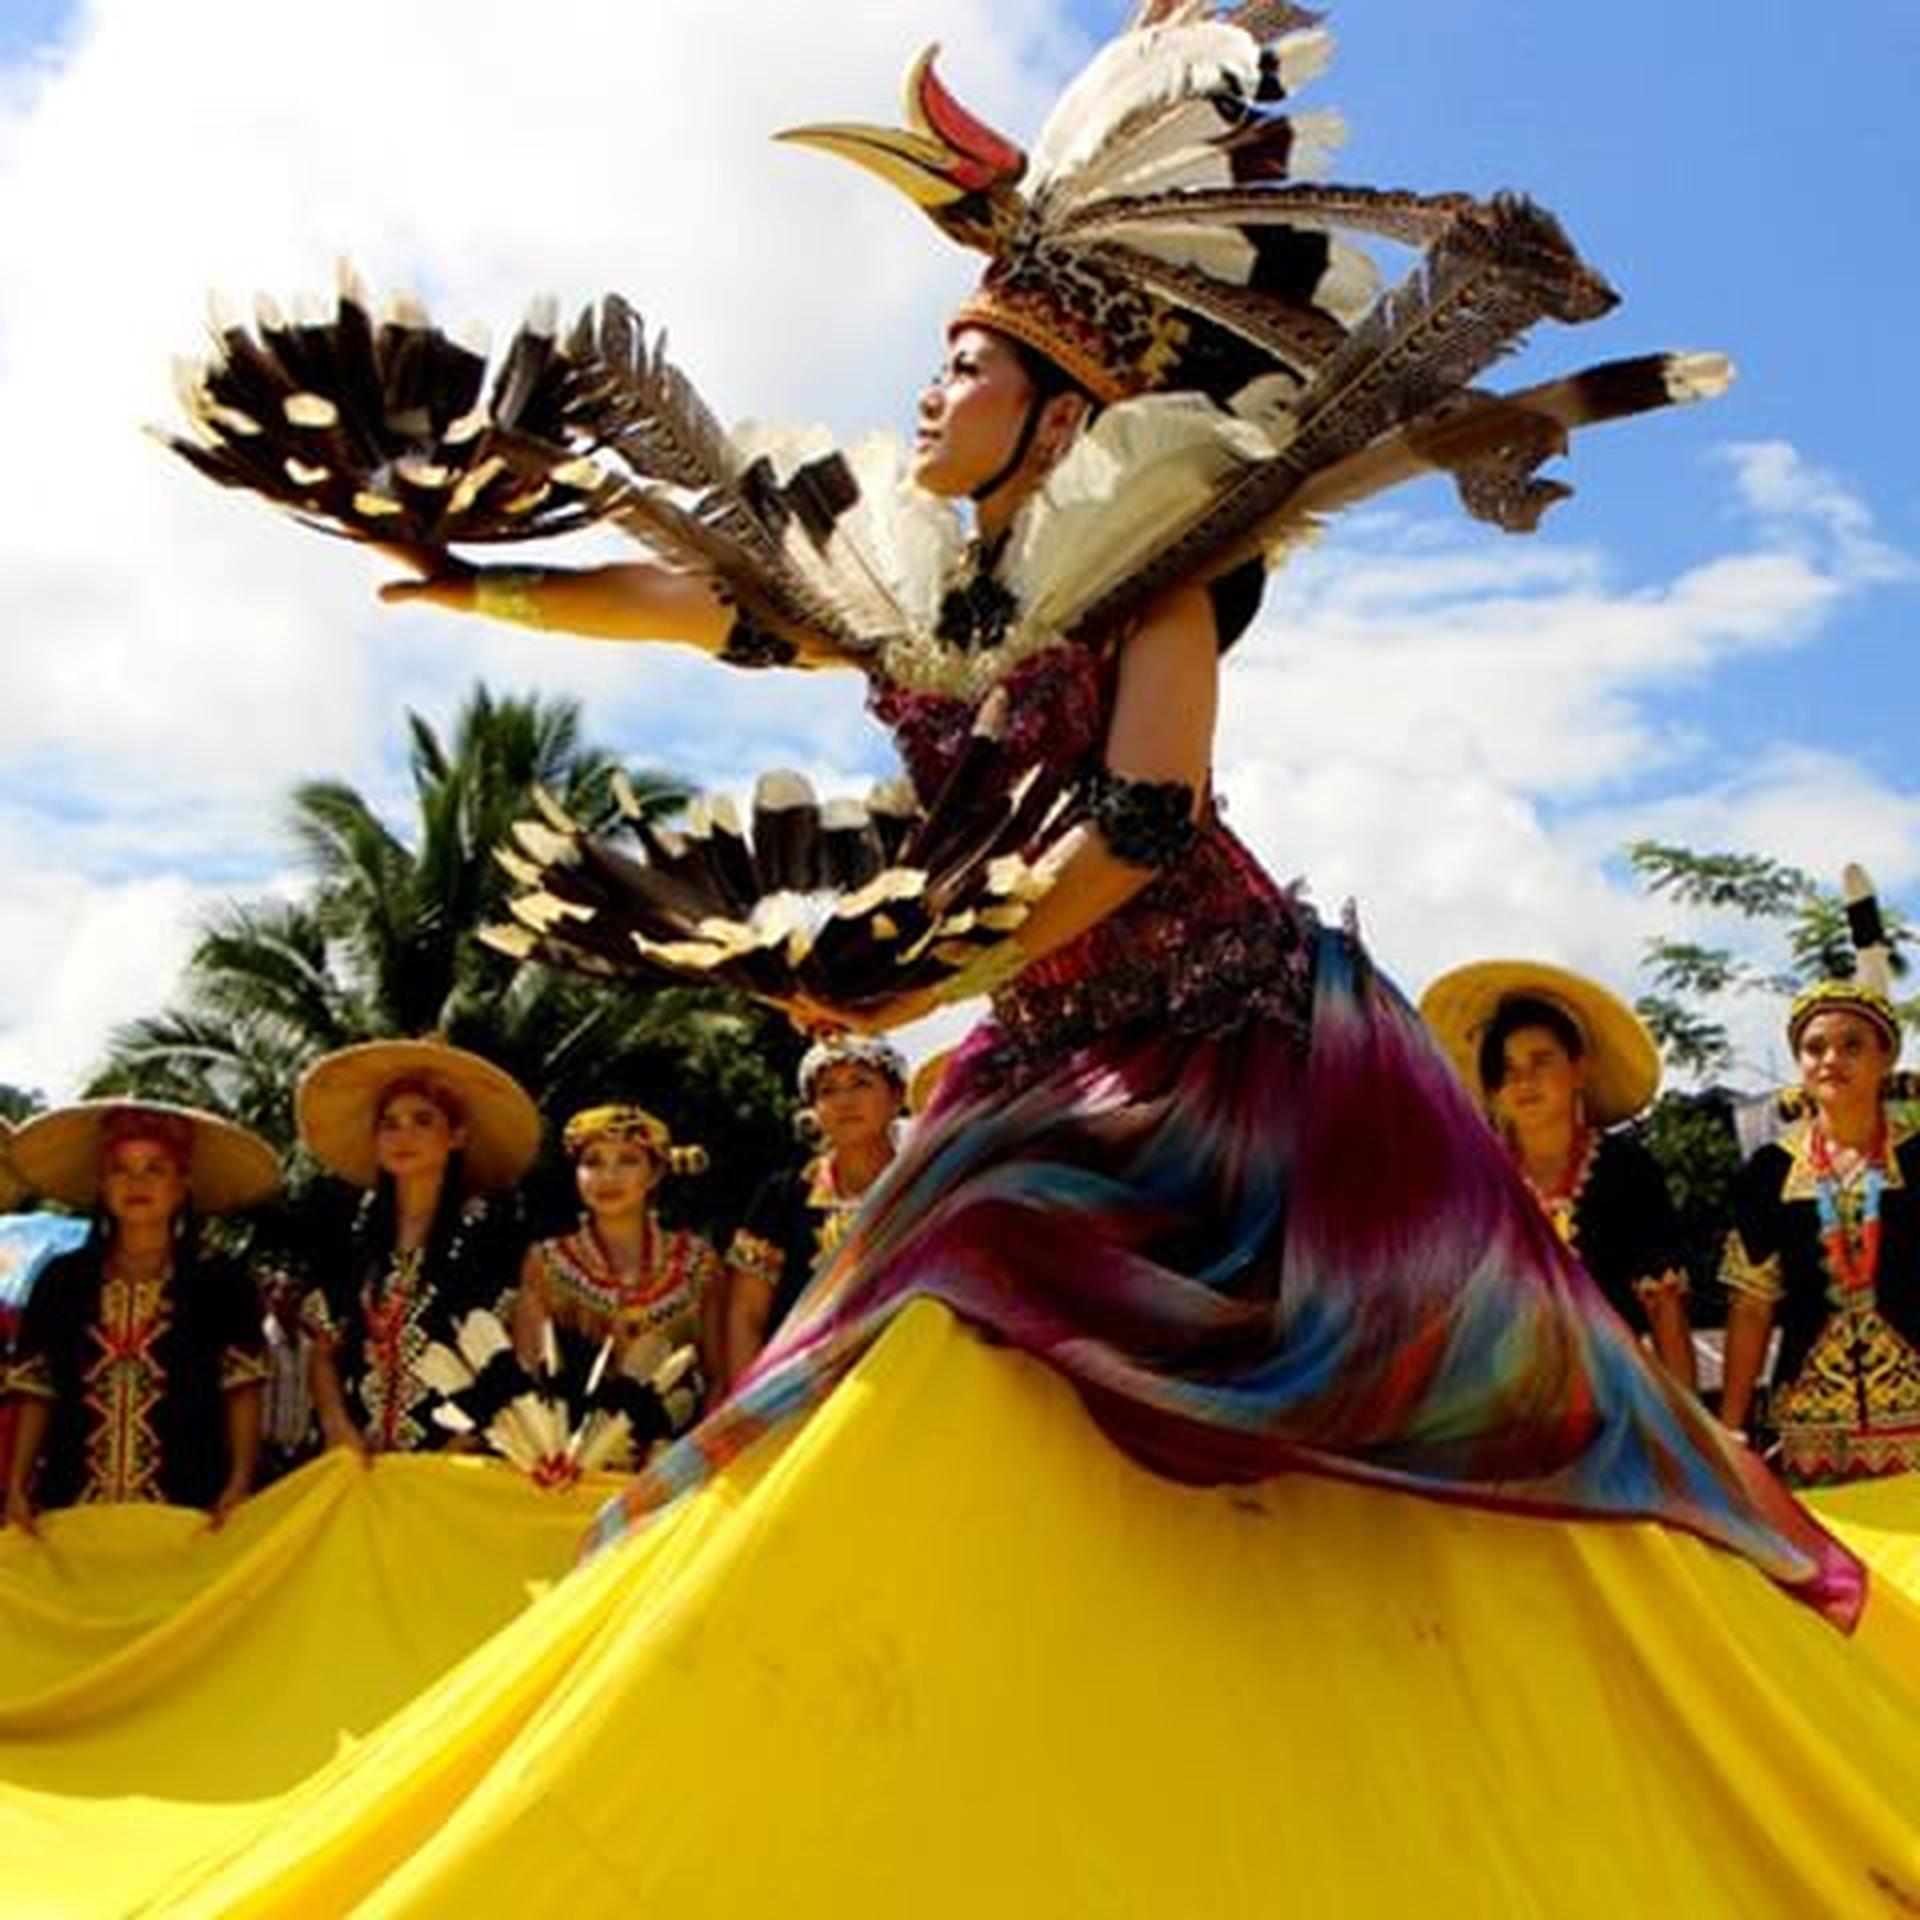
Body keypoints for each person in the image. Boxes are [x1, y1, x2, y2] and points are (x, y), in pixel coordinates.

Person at [333, 12, 1846, 1618]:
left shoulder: (1160, 563)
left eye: (966, 368)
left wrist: (913, 983)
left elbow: (1137, 824)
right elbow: (722, 600)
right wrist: (495, 587)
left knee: (1478, 1381)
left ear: (1060, 418)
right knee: (872, 1331)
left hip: (1255, 1065)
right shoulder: (920, 592)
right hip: (1046, 1058)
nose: (927, 393)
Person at [2, 1101, 278, 1531]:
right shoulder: (62, 1281)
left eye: (155, 1168)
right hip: (72, 1507)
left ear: (182, 1183)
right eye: (119, 1168)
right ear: (102, 1184)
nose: (137, 1182)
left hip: (189, 1507)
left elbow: (241, 1390)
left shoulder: (220, 1282)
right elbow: (38, 1389)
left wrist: (241, 1480)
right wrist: (17, 1485)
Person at [1421, 962, 1696, 1387]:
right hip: (1503, 1406)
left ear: (1578, 1069)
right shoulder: (1476, 1182)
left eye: (1540, 1060)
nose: (1524, 1080)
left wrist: (1690, 1428)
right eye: (1507, 1069)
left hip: (1616, 1396)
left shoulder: (1626, 1168)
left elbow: (1664, 1307)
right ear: (1493, 1089)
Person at [296, 1039, 539, 1459]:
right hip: (359, 1466)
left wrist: (465, 1441)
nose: (402, 1134)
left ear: (456, 1135)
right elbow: (323, 1349)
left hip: (460, 1464)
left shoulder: (494, 1238)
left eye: (422, 1120)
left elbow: (518, 1355)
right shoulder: (354, 1238)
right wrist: (338, 1427)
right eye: (389, 1123)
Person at [1719, 980, 1920, 1484]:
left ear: (1885, 1059)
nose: (1831, 1059)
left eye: (1852, 1045)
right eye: (1815, 1048)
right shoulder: (1767, 1172)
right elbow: (1751, 1306)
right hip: (1807, 1432)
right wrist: (1729, 1428)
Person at [513, 1103, 718, 1463]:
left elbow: (720, 1374)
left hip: (675, 1464)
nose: (608, 1177)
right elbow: (529, 1375)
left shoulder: (697, 1263)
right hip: (571, 1463)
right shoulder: (547, 1262)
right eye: (592, 1162)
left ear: (654, 1174)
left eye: (627, 1160)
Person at [724, 1037, 907, 1385]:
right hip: (798, 1387)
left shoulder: (928, 1185)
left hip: (905, 1376)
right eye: (827, 1091)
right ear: (814, 1108)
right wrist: (743, 1406)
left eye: (861, 1083)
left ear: (897, 1097)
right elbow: (746, 1313)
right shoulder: (783, 1195)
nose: (844, 1101)